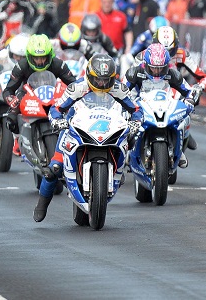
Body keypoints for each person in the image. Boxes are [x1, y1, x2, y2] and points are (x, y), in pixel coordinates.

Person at [33, 54, 142, 222]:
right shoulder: (77, 87)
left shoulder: (119, 89)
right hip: (76, 127)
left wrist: (135, 123)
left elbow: (136, 109)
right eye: (98, 80)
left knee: (130, 139)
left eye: (106, 80)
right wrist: (58, 121)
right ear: (90, 76)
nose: (102, 84)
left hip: (108, 127)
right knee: (54, 167)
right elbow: (56, 108)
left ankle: (118, 172)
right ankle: (42, 205)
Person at [123, 43, 198, 166]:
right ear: (146, 64)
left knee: (185, 118)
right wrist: (126, 104)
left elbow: (189, 91)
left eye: (161, 68)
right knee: (124, 116)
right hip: (141, 103)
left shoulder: (173, 74)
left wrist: (190, 100)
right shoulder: (134, 73)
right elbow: (121, 90)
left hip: (165, 104)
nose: (157, 71)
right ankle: (126, 148)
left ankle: (178, 150)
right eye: (153, 68)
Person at [1, 35, 77, 137]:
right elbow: (8, 89)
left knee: (76, 111)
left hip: (54, 93)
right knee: (11, 120)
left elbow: (74, 83)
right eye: (36, 58)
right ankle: (18, 139)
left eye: (43, 57)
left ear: (49, 55)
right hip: (27, 93)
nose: (40, 62)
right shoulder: (21, 66)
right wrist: (11, 99)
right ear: (29, 56)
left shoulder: (58, 64)